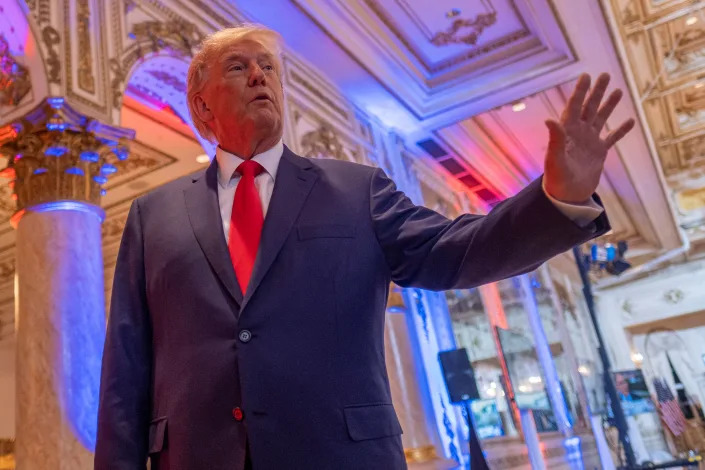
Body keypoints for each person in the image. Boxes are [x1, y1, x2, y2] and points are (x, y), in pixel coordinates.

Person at [94, 24, 634, 470]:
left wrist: (556, 198)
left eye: (269, 67)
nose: (260, 75)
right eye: (238, 67)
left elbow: (457, 249)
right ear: (201, 106)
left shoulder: (357, 189)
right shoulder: (152, 215)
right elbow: (126, 370)